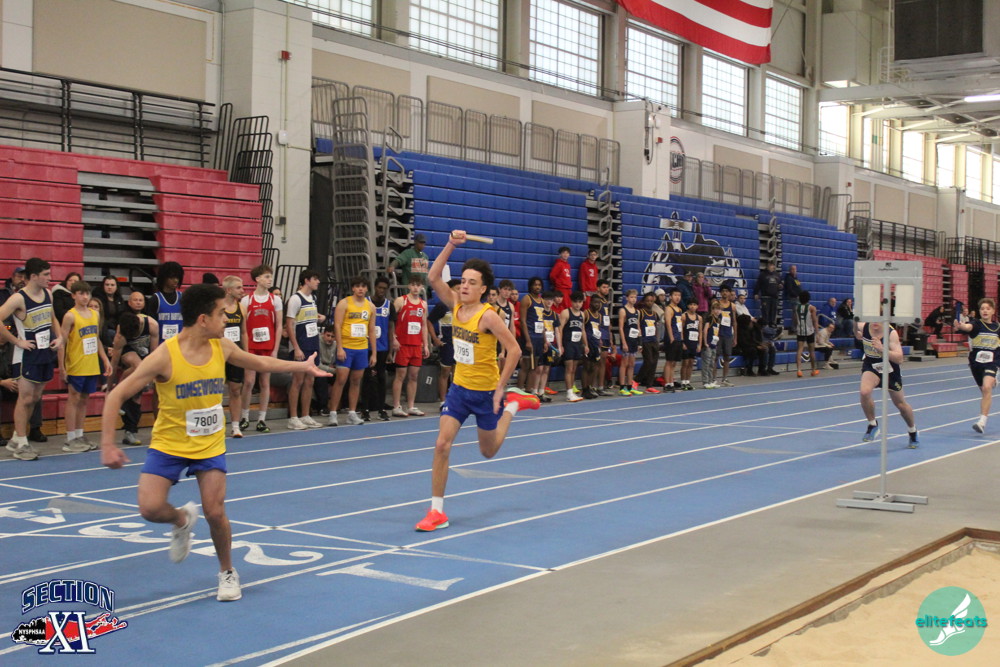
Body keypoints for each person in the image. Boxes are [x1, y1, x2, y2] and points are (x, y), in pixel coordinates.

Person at [99, 283, 331, 601]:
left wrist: (301, 366)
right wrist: (107, 444)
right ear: (203, 319)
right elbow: (116, 396)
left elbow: (259, 362)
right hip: (169, 443)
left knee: (215, 511)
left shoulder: (221, 346)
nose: (227, 318)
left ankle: (227, 572)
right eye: (222, 313)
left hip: (209, 444)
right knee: (150, 509)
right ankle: (181, 520)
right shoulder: (165, 356)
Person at [414, 230, 540, 532]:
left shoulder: (488, 316)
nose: (465, 285)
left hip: (485, 393)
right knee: (442, 444)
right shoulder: (455, 304)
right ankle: (436, 511)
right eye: (464, 280)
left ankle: (512, 406)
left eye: (472, 282)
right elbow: (433, 277)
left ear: (483, 289)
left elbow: (514, 350)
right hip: (459, 390)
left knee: (488, 451)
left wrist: (500, 388)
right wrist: (450, 244)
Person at [0, 258, 62, 460]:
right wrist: (16, 341)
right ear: (34, 276)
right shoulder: (18, 298)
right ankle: (22, 443)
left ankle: (16, 438)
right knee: (25, 398)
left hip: (44, 352)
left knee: (35, 398)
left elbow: (52, 318)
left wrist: (59, 336)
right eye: (46, 275)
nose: (50, 278)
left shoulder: (48, 294)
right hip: (26, 355)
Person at [58, 280, 113, 452]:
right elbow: (61, 343)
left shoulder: (94, 314)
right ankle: (70, 438)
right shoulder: (70, 316)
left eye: (87, 293)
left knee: (84, 400)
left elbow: (96, 339)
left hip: (91, 363)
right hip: (76, 363)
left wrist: (105, 359)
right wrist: (62, 367)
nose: (85, 297)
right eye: (81, 293)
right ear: (73, 296)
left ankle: (80, 434)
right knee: (73, 399)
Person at [856, 319, 918, 446]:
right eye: (872, 319)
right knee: (864, 392)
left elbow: (900, 359)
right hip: (872, 366)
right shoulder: (864, 326)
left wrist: (882, 349)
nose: (875, 322)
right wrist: (856, 332)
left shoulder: (891, 333)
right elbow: (855, 326)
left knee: (901, 404)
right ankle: (872, 425)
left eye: (878, 320)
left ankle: (912, 431)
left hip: (890, 370)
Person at [328, 276, 376, 426]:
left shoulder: (370, 307)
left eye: (363, 286)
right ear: (353, 288)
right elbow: (337, 325)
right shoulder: (344, 303)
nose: (360, 289)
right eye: (357, 286)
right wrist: (340, 347)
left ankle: (352, 413)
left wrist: (373, 353)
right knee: (341, 380)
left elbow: (371, 330)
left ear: (367, 289)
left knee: (356, 381)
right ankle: (333, 413)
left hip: (361, 348)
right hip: (346, 347)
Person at [239, 264, 283, 433]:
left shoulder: (275, 300)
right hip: (251, 346)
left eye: (270, 276)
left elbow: (279, 326)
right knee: (249, 382)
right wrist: (245, 350)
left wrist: (275, 349)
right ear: (257, 279)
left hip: (268, 346)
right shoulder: (247, 300)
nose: (270, 279)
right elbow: (243, 327)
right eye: (266, 276)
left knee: (265, 382)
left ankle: (261, 420)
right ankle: (244, 417)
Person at [109, 307, 158, 446]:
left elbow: (154, 355)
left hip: (144, 356)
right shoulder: (121, 336)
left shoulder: (152, 325)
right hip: (128, 353)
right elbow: (114, 363)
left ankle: (130, 431)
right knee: (138, 365)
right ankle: (118, 392)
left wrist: (151, 376)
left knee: (136, 396)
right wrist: (109, 388)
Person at [285, 269, 325, 430]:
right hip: (301, 345)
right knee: (298, 381)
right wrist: (296, 348)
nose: (318, 282)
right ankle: (293, 417)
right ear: (306, 280)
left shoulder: (312, 298)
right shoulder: (295, 299)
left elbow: (306, 317)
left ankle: (305, 415)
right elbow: (289, 324)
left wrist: (318, 318)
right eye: (315, 279)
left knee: (310, 381)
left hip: (313, 344)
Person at [953, 298, 999, 433]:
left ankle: (982, 422)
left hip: (992, 362)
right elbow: (968, 327)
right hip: (976, 363)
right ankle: (992, 380)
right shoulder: (977, 324)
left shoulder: (998, 328)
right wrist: (961, 325)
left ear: (993, 311)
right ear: (979, 311)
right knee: (984, 390)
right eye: (982, 308)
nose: (985, 311)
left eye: (988, 309)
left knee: (986, 388)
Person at [392, 276, 429, 417]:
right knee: (400, 375)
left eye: (418, 285)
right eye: (413, 285)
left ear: (422, 287)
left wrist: (426, 345)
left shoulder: (423, 304)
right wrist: (393, 338)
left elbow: (424, 325)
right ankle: (396, 406)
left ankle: (411, 406)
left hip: (416, 345)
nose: (415, 288)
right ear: (408, 286)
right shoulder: (401, 301)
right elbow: (391, 320)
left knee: (414, 376)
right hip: (402, 344)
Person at [363, 276, 394, 421]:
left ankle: (381, 409)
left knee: (381, 378)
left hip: (382, 347)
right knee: (367, 378)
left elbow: (391, 328)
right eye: (380, 287)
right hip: (366, 347)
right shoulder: (366, 303)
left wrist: (390, 351)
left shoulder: (389, 305)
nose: (382, 290)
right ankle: (365, 409)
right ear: (375, 287)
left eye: (384, 289)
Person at [221, 277, 248, 438]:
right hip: (220, 354)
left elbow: (244, 333)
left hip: (236, 354)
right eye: (238, 288)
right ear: (228, 290)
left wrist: (246, 354)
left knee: (236, 389)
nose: (242, 290)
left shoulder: (242, 308)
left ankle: (236, 426)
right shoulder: (218, 308)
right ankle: (217, 425)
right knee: (216, 390)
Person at [430, 279, 460, 407]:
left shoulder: (461, 305)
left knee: (458, 373)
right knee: (445, 372)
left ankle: (455, 399)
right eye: (457, 288)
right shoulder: (442, 305)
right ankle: (443, 401)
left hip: (459, 343)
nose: (460, 291)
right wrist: (435, 338)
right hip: (446, 343)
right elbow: (429, 321)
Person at [559, 292, 588, 402]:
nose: (577, 304)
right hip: (568, 344)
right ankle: (569, 392)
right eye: (575, 302)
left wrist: (586, 345)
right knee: (569, 368)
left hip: (577, 344)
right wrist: (560, 345)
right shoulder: (565, 313)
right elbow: (560, 330)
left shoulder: (582, 314)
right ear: (571, 302)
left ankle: (571, 392)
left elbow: (583, 330)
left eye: (580, 302)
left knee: (574, 369)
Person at [147, 261, 185, 343]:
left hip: (179, 344)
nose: (176, 280)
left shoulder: (183, 298)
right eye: (172, 277)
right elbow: (151, 327)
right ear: (164, 278)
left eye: (177, 277)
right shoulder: (155, 299)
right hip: (161, 345)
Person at [635, 292, 661, 394]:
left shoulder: (655, 314)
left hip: (653, 340)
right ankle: (636, 380)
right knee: (648, 361)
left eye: (651, 301)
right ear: (644, 302)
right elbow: (638, 327)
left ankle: (649, 385)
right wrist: (640, 342)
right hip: (645, 341)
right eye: (647, 301)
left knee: (654, 363)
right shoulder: (640, 313)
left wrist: (657, 340)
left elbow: (656, 328)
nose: (649, 303)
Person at [617, 289, 642, 396]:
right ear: (627, 298)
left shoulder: (637, 312)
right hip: (626, 339)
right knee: (624, 364)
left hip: (634, 340)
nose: (633, 299)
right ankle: (622, 387)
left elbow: (638, 327)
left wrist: (640, 342)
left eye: (635, 297)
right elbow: (620, 328)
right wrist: (623, 342)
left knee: (632, 364)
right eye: (631, 297)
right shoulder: (623, 310)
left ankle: (630, 386)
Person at [662, 288, 685, 393]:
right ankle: (667, 383)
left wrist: (681, 338)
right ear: (671, 297)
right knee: (669, 361)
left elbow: (680, 326)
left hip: (678, 338)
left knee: (674, 362)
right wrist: (671, 337)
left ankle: (671, 381)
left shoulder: (679, 310)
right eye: (675, 295)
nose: (677, 297)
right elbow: (668, 324)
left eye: (679, 295)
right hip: (671, 338)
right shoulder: (669, 309)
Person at [594, 280, 615, 394]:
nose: (606, 289)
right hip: (599, 333)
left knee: (603, 361)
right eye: (604, 287)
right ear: (598, 288)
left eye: (607, 287)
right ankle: (592, 386)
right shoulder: (596, 301)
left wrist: (610, 336)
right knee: (596, 362)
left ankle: (601, 387)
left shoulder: (605, 301)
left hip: (606, 333)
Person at [94, 275, 127, 348]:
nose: (109, 287)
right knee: (112, 334)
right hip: (103, 327)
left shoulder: (119, 299)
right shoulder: (97, 298)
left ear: (116, 286)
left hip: (116, 327)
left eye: (112, 285)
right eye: (107, 285)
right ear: (103, 286)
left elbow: (122, 315)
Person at [582, 296, 604, 398]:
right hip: (588, 343)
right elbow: (582, 329)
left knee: (594, 366)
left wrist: (600, 340)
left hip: (595, 343)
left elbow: (598, 328)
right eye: (595, 302)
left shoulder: (599, 316)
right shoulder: (586, 313)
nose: (597, 305)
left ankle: (590, 387)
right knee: (587, 366)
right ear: (590, 303)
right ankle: (584, 389)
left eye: (599, 303)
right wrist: (585, 344)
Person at [794, 291, 820, 378]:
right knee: (811, 351)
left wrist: (796, 327)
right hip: (809, 331)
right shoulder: (812, 308)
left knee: (799, 350)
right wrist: (817, 332)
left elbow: (795, 319)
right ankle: (813, 370)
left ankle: (799, 370)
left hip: (800, 331)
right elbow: (814, 320)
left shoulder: (796, 307)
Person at [716, 286, 737, 387]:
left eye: (726, 291)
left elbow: (734, 322)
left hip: (728, 334)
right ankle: (713, 379)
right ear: (720, 293)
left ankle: (725, 378)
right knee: (715, 357)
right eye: (723, 291)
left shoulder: (732, 306)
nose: (725, 293)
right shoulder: (717, 304)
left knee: (727, 357)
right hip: (718, 334)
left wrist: (735, 337)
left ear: (729, 293)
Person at [312, 324, 337, 414]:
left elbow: (335, 363)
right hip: (318, 370)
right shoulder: (317, 343)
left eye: (332, 336)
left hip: (330, 370)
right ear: (323, 334)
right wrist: (333, 369)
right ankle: (323, 407)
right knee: (321, 378)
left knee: (343, 376)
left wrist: (334, 369)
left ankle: (345, 406)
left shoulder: (336, 345)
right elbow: (318, 365)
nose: (330, 338)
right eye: (328, 335)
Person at [679, 298, 700, 390]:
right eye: (691, 304)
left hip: (694, 342)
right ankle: (683, 382)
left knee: (691, 363)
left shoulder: (699, 318)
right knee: (685, 362)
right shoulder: (684, 316)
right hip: (686, 342)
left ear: (697, 306)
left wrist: (699, 344)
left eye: (694, 305)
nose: (692, 306)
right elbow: (681, 330)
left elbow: (700, 331)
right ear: (688, 306)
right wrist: (682, 342)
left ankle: (688, 381)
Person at [754, 261, 781, 327]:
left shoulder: (777, 275)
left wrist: (781, 286)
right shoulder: (763, 274)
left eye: (772, 265)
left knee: (773, 311)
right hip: (765, 297)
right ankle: (765, 324)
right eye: (770, 265)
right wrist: (756, 293)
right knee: (765, 311)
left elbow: (780, 284)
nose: (771, 266)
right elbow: (758, 284)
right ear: (767, 266)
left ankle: (772, 323)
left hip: (774, 297)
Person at [701, 301, 722, 389]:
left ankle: (710, 381)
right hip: (708, 344)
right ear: (712, 310)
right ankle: (705, 381)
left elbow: (716, 332)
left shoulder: (718, 320)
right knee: (706, 363)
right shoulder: (710, 318)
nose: (717, 311)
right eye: (716, 309)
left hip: (714, 344)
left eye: (719, 309)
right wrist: (705, 342)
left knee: (712, 364)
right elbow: (705, 330)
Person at [549, 247, 572, 313]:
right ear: (560, 254)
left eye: (567, 253)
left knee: (569, 306)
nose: (565, 254)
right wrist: (559, 283)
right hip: (561, 289)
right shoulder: (558, 264)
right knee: (563, 306)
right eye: (563, 253)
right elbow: (552, 276)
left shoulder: (568, 265)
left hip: (568, 289)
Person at [783, 265, 802, 333]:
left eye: (795, 269)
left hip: (798, 297)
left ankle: (795, 327)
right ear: (790, 270)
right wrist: (796, 295)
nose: (794, 271)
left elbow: (799, 287)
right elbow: (789, 289)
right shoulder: (789, 278)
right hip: (794, 298)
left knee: (797, 313)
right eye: (792, 269)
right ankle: (794, 328)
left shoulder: (795, 278)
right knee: (796, 313)